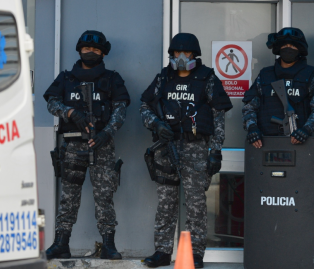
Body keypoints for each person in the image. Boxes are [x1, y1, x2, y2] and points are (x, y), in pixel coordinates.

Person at [140, 33, 233, 268]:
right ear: (171, 54)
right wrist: (156, 124)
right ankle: (162, 251)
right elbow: (145, 105)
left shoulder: (207, 78)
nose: (182, 57)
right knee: (166, 203)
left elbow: (218, 116)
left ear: (195, 54)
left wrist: (215, 149)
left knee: (196, 204)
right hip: (166, 147)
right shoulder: (163, 77)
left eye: (187, 53)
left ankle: (195, 253)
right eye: (177, 53)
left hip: (196, 149)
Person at [43, 30, 130, 260]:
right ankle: (61, 243)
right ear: (79, 50)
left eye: (96, 50)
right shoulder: (66, 78)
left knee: (104, 196)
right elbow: (51, 102)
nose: (90, 52)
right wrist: (70, 112)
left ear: (103, 53)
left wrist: (106, 134)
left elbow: (121, 109)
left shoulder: (112, 78)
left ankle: (109, 244)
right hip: (73, 145)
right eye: (87, 49)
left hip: (101, 145)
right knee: (68, 197)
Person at [242, 27, 314, 148]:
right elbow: (249, 107)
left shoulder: (311, 75)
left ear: (300, 49)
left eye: (293, 46)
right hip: (265, 143)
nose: (288, 48)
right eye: (284, 45)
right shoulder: (265, 75)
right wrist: (252, 127)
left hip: (299, 144)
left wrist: (306, 129)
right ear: (278, 48)